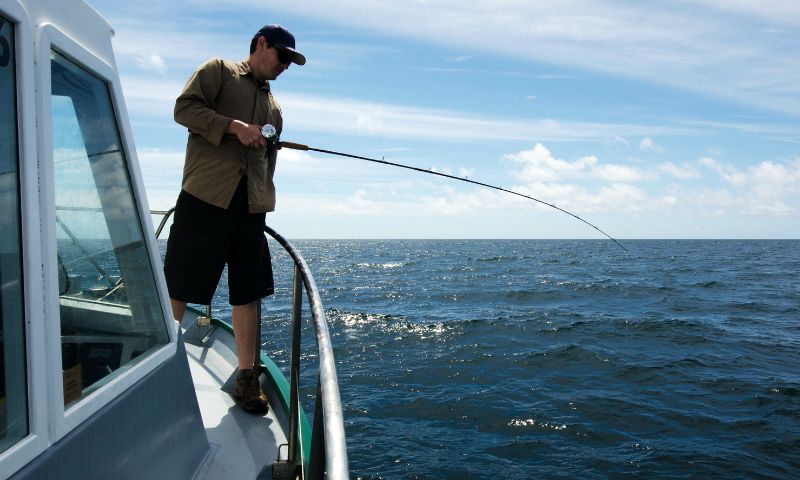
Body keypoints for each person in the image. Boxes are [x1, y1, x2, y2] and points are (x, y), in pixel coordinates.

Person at [164, 24, 306, 414]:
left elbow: (268, 159)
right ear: (261, 45)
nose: (285, 67)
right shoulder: (219, 71)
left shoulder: (274, 105)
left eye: (291, 62)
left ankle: (246, 378)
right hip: (205, 199)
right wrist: (234, 127)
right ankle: (157, 369)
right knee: (180, 284)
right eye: (282, 57)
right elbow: (184, 109)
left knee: (248, 291)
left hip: (251, 209)